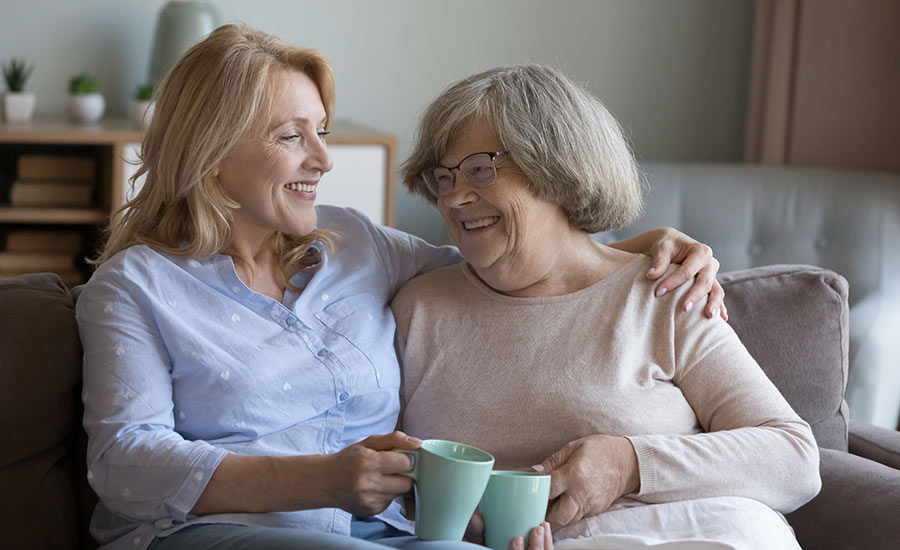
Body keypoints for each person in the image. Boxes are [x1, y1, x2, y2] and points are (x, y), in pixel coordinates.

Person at [78, 25, 725, 550]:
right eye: (290, 136)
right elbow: (122, 461)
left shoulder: (357, 244)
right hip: (213, 533)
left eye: (321, 132)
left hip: (386, 532)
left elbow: (509, 256)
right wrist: (320, 480)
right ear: (210, 152)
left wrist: (645, 246)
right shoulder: (132, 289)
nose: (323, 160)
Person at [393, 64, 822, 550]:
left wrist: (629, 465)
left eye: (479, 169)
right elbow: (379, 476)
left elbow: (794, 459)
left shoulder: (664, 291)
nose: (455, 198)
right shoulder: (417, 309)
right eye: (443, 178)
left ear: (555, 167)